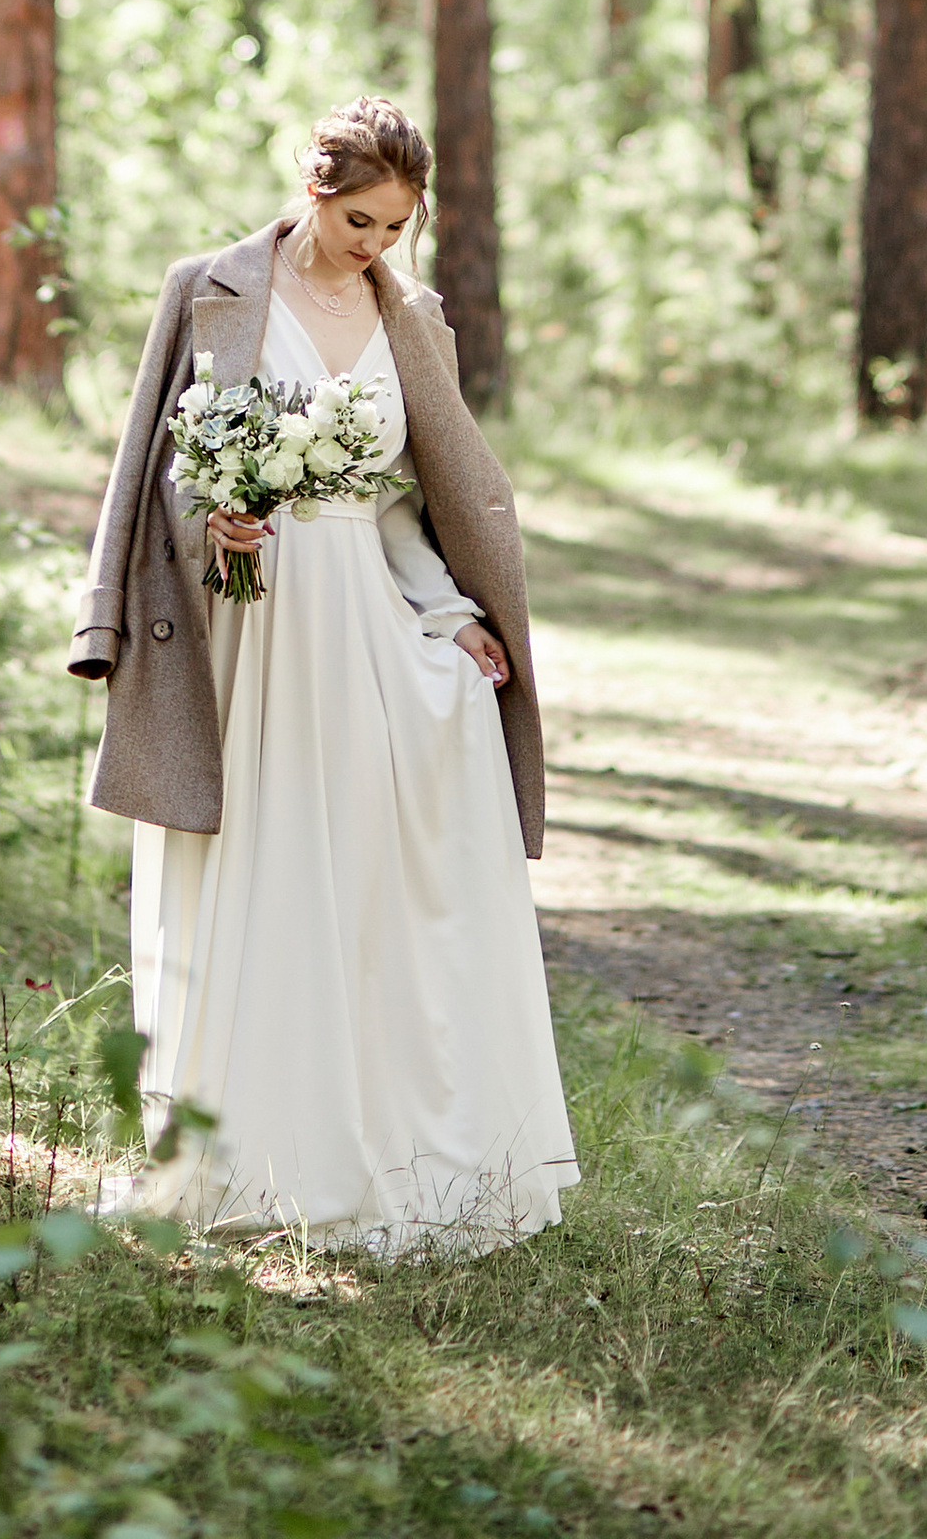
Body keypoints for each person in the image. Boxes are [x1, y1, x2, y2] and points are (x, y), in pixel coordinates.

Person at [69, 95, 578, 1254]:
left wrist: (449, 615)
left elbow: (407, 505)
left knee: (380, 866)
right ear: (314, 189)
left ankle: (393, 1134)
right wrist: (217, 526)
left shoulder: (416, 320)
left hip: (362, 620)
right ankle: (237, 1143)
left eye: (396, 228)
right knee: (258, 860)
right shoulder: (208, 289)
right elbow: (153, 463)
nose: (375, 246)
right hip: (243, 634)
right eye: (360, 221)